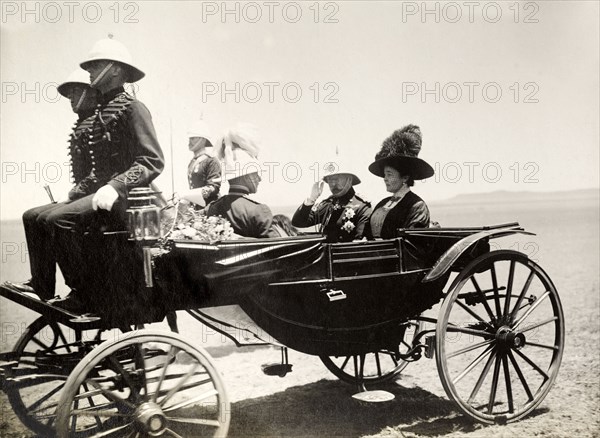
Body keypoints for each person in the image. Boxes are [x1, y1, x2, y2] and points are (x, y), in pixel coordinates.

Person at [41, 36, 164, 311]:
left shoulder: (133, 108)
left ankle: (87, 294)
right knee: (42, 217)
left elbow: (152, 161)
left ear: (116, 70)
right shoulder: (99, 113)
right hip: (105, 195)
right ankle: (45, 286)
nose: (90, 72)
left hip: (128, 201)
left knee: (59, 220)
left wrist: (116, 186)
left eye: (96, 66)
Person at [8, 69, 100, 299]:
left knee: (52, 220)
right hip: (84, 196)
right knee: (31, 216)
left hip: (100, 197)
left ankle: (82, 290)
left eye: (75, 91)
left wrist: (75, 193)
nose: (70, 98)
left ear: (90, 93)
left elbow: (102, 171)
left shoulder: (98, 123)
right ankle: (41, 284)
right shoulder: (84, 124)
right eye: (69, 93)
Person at [205, 125, 278, 238]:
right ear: (246, 176)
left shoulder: (212, 208)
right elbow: (277, 249)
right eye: (255, 174)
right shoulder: (259, 211)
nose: (260, 178)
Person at [365, 124, 433, 239]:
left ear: (405, 177)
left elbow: (413, 244)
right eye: (384, 174)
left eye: (389, 174)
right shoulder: (383, 203)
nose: (385, 178)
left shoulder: (416, 206)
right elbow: (367, 235)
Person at [292, 170, 371, 242]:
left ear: (349, 179)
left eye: (336, 179)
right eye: (330, 180)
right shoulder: (328, 204)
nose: (333, 184)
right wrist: (311, 199)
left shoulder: (362, 206)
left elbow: (360, 245)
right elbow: (298, 223)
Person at [177, 119, 221, 207]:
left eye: (193, 138)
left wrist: (187, 194)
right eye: (190, 138)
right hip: (195, 207)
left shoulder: (211, 160)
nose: (190, 141)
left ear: (203, 140)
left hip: (210, 208)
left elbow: (213, 187)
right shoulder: (193, 162)